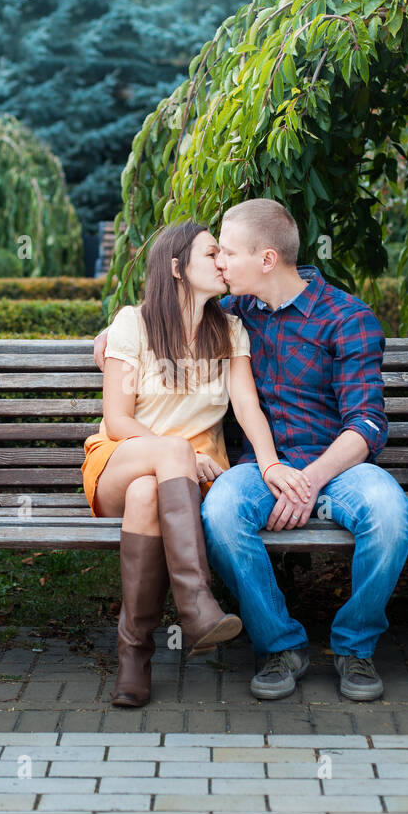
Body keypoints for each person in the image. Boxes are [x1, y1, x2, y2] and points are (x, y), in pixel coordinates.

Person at [94, 199, 408, 702]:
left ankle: (356, 647)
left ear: (267, 260)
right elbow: (166, 314)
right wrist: (113, 332)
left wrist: (308, 478)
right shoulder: (237, 310)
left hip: (336, 467)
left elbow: (368, 423)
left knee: (391, 512)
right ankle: (279, 646)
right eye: (214, 254)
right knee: (219, 512)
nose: (221, 264)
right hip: (257, 468)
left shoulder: (344, 318)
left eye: (229, 254)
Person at [83, 221, 312, 708]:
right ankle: (197, 606)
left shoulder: (229, 329)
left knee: (149, 495)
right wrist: (179, 451)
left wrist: (269, 465)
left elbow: (248, 409)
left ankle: (134, 662)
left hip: (183, 485)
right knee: (160, 463)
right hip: (120, 461)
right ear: (176, 267)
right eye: (212, 255)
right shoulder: (133, 324)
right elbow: (118, 420)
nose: (223, 263)